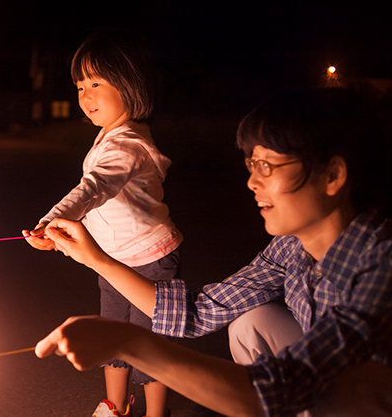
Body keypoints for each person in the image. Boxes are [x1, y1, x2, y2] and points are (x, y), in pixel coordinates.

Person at [35, 88, 392, 417]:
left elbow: (286, 384)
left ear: (332, 175)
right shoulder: (291, 248)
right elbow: (198, 310)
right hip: (327, 381)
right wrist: (94, 258)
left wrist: (129, 342)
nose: (253, 182)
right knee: (252, 323)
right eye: (252, 164)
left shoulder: (381, 261)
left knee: (353, 388)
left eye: (267, 166)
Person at [23, 31, 182, 417]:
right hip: (110, 260)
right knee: (113, 334)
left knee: (150, 343)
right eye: (80, 86)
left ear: (129, 85)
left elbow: (93, 188)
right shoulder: (109, 136)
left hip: (150, 260)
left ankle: (155, 414)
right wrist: (60, 232)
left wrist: (54, 220)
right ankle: (115, 406)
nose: (85, 95)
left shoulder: (126, 144)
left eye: (96, 83)